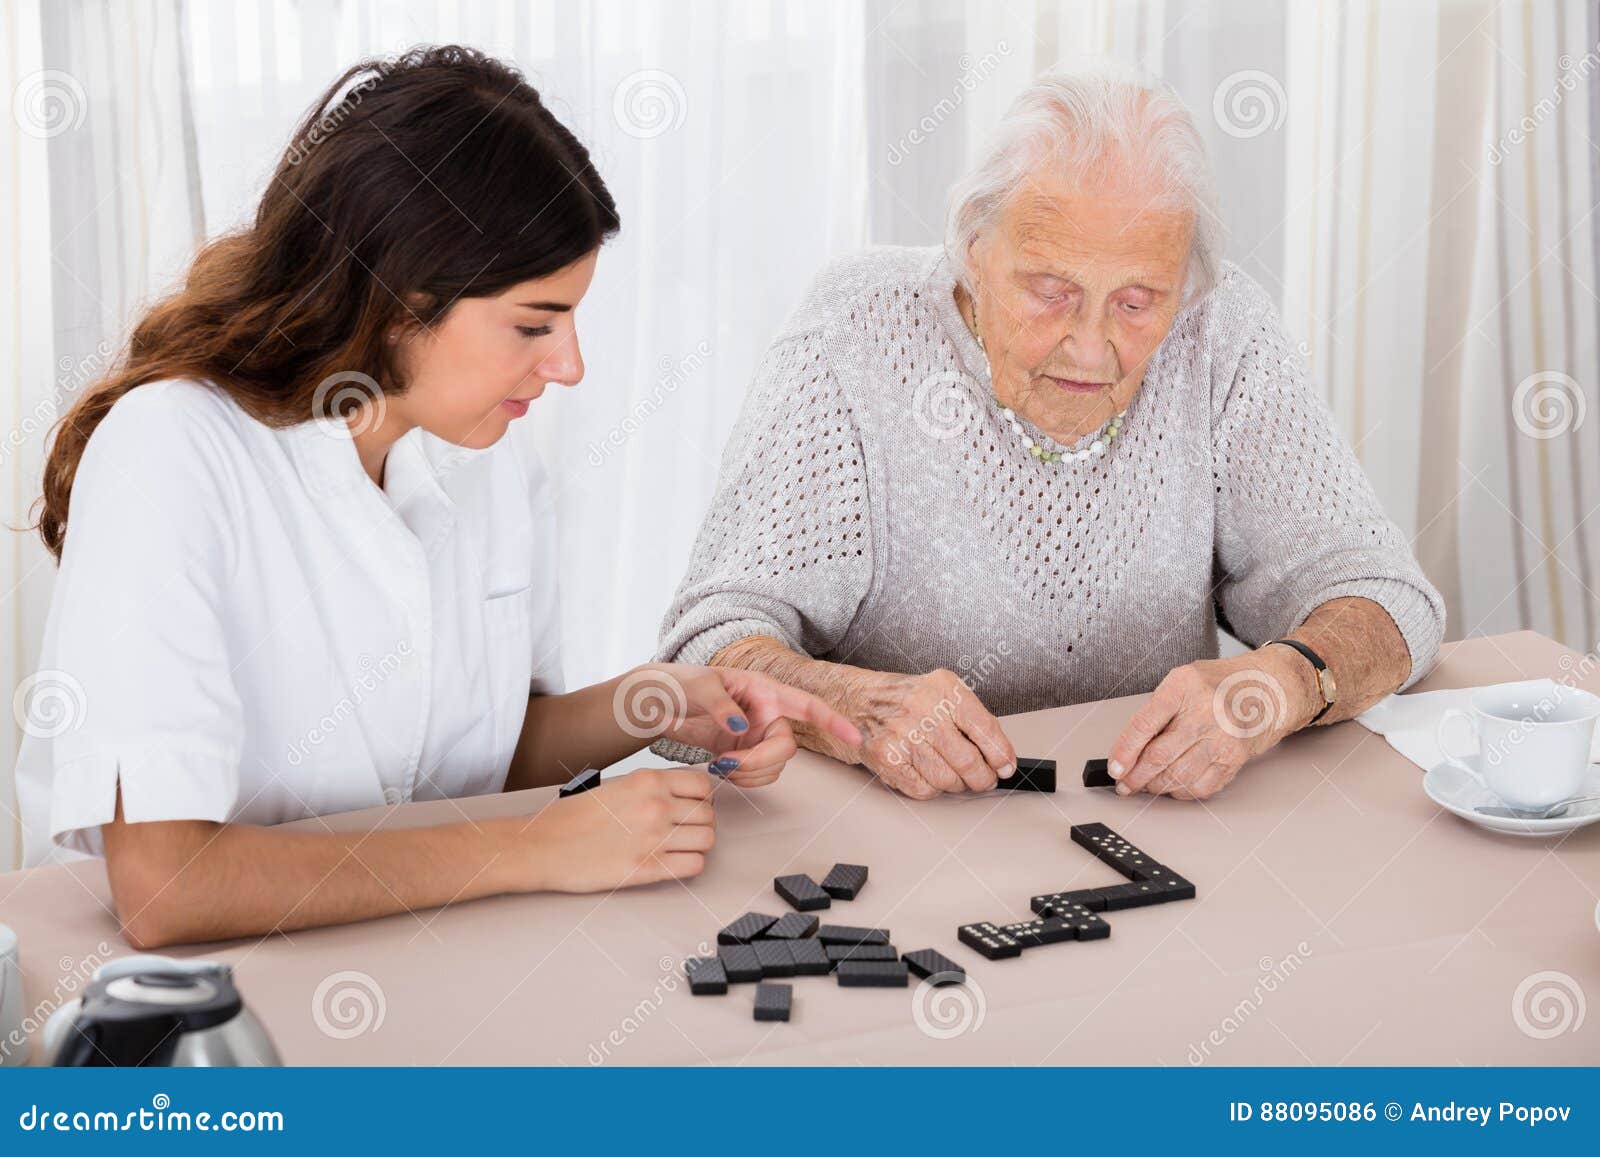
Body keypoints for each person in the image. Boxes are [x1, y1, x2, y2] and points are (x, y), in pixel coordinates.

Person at [15, 46, 859, 948]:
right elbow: (168, 886)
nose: (569, 366)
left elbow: (478, 758)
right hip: (203, 1008)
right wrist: (542, 847)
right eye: (534, 325)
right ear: (396, 304)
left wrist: (650, 702)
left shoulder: (483, 450)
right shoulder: (172, 451)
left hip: (429, 950)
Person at [652, 65, 1444, 802]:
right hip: (895, 831)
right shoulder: (854, 334)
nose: (1091, 345)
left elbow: (1387, 598)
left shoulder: (1222, 330)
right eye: (1050, 290)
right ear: (971, 247)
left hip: (1152, 820)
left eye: (1137, 303)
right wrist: (856, 708)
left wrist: (1278, 683)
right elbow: (705, 651)